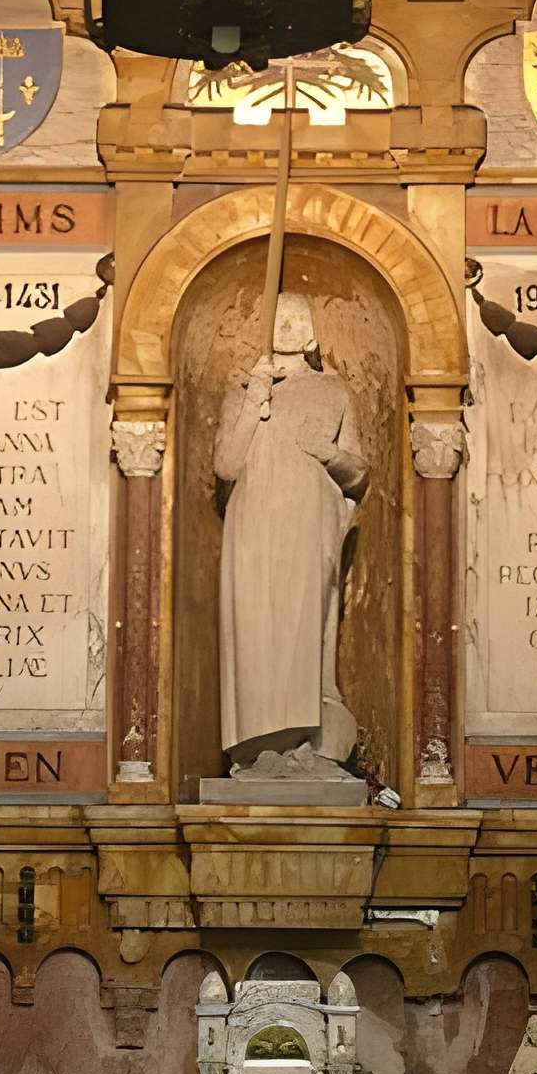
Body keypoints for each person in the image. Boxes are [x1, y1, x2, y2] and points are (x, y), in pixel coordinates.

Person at [214, 290, 368, 774]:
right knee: (255, 626)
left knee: (306, 622)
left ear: (311, 332)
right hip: (253, 522)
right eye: (277, 319)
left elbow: (358, 472)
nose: (285, 327)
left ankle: (309, 735)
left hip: (310, 519)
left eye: (296, 318)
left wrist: (329, 454)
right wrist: (252, 402)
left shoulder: (333, 391)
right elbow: (225, 464)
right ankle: (255, 746)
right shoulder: (243, 391)